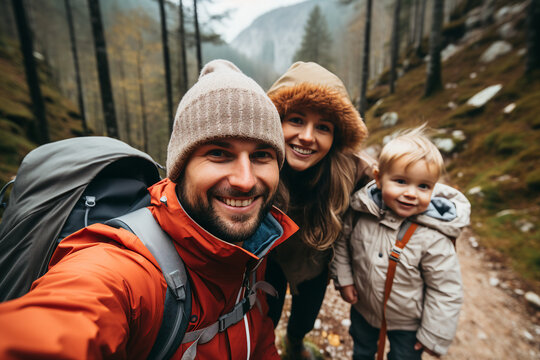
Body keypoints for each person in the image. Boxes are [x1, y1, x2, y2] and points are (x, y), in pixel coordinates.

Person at [0, 60, 298, 359]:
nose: (245, 180)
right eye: (219, 153)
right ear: (180, 170)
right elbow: (64, 323)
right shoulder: (126, 269)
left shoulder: (254, 241)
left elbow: (257, 333)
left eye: (261, 155)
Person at [331, 126, 470, 359]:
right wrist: (344, 279)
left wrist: (433, 335)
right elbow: (342, 245)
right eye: (401, 181)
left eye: (423, 186)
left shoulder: (433, 237)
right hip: (364, 310)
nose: (411, 193)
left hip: (408, 324)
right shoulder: (361, 212)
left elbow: (445, 289)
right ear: (378, 178)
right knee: (362, 351)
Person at [264, 61, 373, 359]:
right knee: (264, 317)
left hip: (314, 260)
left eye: (323, 127)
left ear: (336, 137)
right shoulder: (256, 161)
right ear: (275, 121)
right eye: (296, 120)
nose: (308, 137)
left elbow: (393, 187)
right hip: (267, 260)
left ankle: (295, 343)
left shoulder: (350, 170)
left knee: (305, 318)